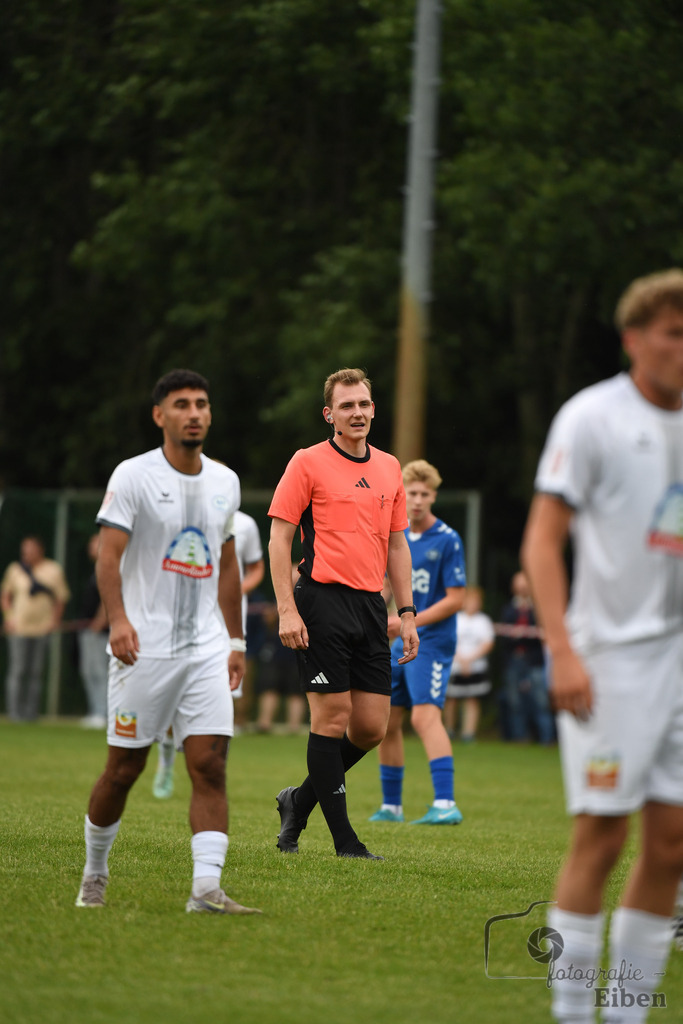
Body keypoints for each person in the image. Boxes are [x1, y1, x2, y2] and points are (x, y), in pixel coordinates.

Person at [520, 268, 683, 1022]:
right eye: (673, 334)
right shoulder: (589, 417)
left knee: (673, 843)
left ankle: (624, 1015)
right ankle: (570, 1013)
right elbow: (542, 541)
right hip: (608, 662)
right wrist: (561, 648)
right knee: (601, 836)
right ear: (634, 340)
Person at [75, 368, 260, 915]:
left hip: (205, 648)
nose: (194, 412)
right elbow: (109, 557)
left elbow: (227, 565)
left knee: (211, 765)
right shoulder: (132, 476)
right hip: (145, 647)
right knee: (123, 770)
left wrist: (236, 641)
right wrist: (120, 621)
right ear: (160, 415)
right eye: (182, 404)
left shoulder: (225, 481)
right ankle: (94, 873)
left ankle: (206, 891)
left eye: (202, 403)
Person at [268, 367, 419, 859]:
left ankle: (299, 800)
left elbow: (398, 545)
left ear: (374, 409)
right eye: (347, 405)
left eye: (364, 404)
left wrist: (407, 610)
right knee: (331, 719)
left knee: (372, 727)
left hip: (370, 607)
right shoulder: (307, 462)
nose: (357, 413)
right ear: (330, 414)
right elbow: (279, 539)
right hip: (321, 601)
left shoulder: (391, 467)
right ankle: (345, 842)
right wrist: (287, 610)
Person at [369, 460, 466, 824]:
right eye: (412, 493)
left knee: (425, 719)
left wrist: (407, 621)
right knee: (387, 722)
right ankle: (391, 807)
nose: (419, 500)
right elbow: (385, 587)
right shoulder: (398, 536)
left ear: (434, 496)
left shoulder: (448, 539)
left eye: (425, 494)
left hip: (433, 643)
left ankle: (445, 804)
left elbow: (456, 598)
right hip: (399, 641)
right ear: (402, 494)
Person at [151, 507, 265, 797]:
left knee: (222, 703)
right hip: (182, 623)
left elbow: (256, 568)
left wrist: (237, 590)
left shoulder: (244, 523)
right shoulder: (180, 516)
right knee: (171, 703)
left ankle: (211, 781)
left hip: (226, 626)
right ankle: (165, 760)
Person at [1, 535, 70, 721]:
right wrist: (8, 618)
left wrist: (55, 620)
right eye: (25, 549)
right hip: (18, 629)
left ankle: (31, 714)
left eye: (31, 549)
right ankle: (15, 713)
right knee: (18, 670)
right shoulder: (15, 570)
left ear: (40, 550)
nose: (27, 553)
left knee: (35, 673)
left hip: (42, 629)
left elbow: (61, 597)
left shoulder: (53, 569)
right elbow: (5, 595)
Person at [498, 570, 554, 744]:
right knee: (514, 701)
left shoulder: (539, 609)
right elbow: (502, 633)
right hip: (514, 659)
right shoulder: (508, 609)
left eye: (525, 583)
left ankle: (547, 739)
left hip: (535, 660)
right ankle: (519, 738)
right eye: (519, 583)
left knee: (540, 700)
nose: (522, 587)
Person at [254, 566, 307, 735]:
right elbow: (268, 622)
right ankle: (264, 724)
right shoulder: (279, 596)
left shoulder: (308, 596)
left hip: (300, 648)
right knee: (269, 687)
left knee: (297, 691)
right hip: (277, 650)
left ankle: (294, 726)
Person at [444, 585, 495, 743]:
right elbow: (448, 641)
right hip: (455, 666)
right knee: (451, 699)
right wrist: (461, 659)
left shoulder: (484, 621)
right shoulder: (455, 619)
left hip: (476, 666)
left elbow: (488, 643)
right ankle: (449, 730)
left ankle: (468, 733)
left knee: (472, 699)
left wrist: (470, 659)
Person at [78, 533, 109, 729]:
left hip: (100, 631)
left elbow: (110, 596)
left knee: (100, 671)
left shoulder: (108, 568)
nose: (91, 547)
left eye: (95, 542)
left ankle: (103, 713)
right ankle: (95, 711)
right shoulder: (95, 570)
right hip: (87, 629)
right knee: (88, 671)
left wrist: (100, 621)